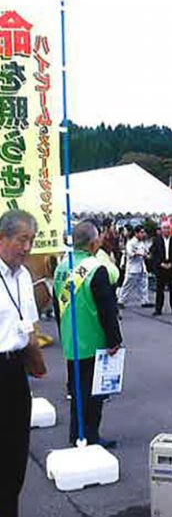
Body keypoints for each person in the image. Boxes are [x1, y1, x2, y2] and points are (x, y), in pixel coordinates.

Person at [53, 221, 123, 448]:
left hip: (71, 339)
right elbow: (107, 309)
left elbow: (57, 305)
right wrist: (114, 340)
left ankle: (76, 433)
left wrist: (63, 332)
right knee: (93, 392)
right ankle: (90, 436)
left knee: (76, 390)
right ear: (93, 243)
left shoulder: (62, 267)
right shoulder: (96, 268)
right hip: (93, 339)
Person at [0, 210, 46, 517]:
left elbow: (30, 325)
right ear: (2, 238)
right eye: (22, 239)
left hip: (15, 371)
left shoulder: (25, 276)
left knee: (15, 455)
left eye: (32, 240)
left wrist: (35, 359)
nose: (27, 247)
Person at [150, 220, 172, 316]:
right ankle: (158, 309)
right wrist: (160, 263)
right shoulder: (156, 240)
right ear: (161, 229)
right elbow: (154, 254)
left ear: (170, 229)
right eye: (164, 228)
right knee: (160, 289)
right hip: (161, 267)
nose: (166, 230)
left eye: (168, 228)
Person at [117, 225, 152, 308]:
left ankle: (145, 301)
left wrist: (147, 255)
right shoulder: (131, 243)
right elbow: (130, 253)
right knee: (128, 285)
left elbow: (146, 252)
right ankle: (121, 301)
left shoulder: (142, 243)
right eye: (141, 232)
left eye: (143, 232)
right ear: (136, 233)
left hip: (142, 267)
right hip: (133, 268)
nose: (143, 234)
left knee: (143, 284)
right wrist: (138, 253)